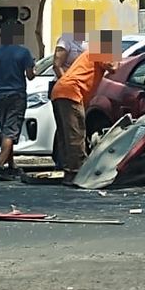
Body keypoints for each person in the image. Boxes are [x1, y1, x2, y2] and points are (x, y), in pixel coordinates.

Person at [50, 30, 120, 185]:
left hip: (60, 91)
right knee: (76, 135)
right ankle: (77, 174)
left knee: (66, 136)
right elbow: (113, 67)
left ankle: (68, 171)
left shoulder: (91, 52)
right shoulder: (100, 51)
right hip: (71, 92)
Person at [0, 22, 36, 181]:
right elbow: (30, 75)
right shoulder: (24, 52)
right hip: (17, 95)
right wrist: (34, 69)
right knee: (11, 132)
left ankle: (11, 165)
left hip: (0, 95)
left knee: (5, 130)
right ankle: (0, 167)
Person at [51, 10, 88, 170]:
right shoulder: (66, 40)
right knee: (69, 130)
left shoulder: (87, 42)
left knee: (73, 129)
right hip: (65, 87)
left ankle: (67, 164)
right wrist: (67, 81)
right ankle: (67, 166)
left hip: (78, 89)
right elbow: (56, 65)